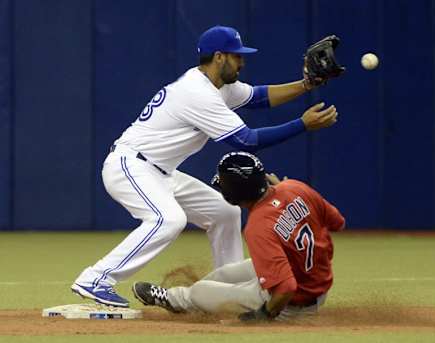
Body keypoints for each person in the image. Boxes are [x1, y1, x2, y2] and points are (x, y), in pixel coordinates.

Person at [71, 25, 339, 308]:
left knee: (225, 211)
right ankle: (96, 278)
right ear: (220, 57)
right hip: (130, 166)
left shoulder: (218, 86)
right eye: (237, 56)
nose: (243, 62)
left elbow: (260, 98)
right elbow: (246, 141)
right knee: (168, 219)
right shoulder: (197, 93)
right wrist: (302, 124)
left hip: (161, 171)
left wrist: (306, 84)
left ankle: (226, 291)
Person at [132, 152, 345, 321]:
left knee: (201, 291)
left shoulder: (259, 227)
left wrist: (265, 314)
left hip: (290, 305)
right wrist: (288, 196)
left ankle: (176, 299)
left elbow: (286, 288)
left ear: (232, 194)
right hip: (310, 278)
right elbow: (337, 222)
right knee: (225, 274)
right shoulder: (294, 187)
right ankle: (200, 303)